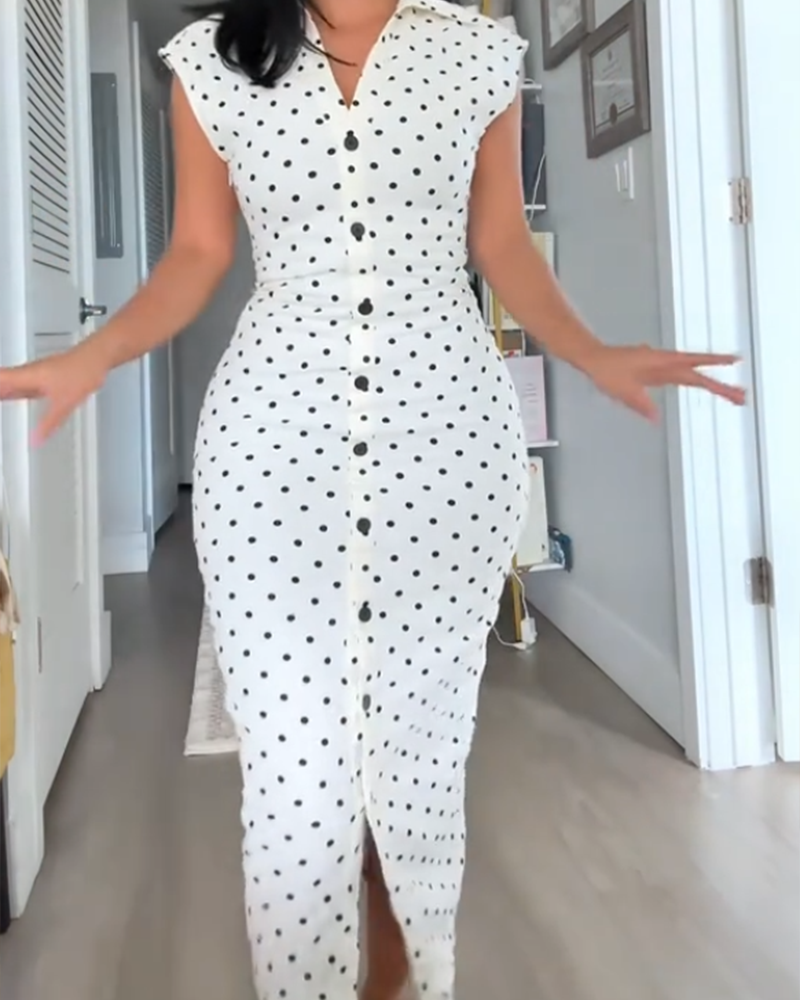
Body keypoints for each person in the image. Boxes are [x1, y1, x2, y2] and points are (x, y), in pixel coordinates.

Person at [0, 0, 745, 996]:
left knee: (419, 760)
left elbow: (500, 243)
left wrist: (591, 350)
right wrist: (91, 355)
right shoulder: (212, 60)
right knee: (296, 775)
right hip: (270, 448)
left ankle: (401, 971)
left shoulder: (478, 53)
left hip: (447, 443)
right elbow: (197, 253)